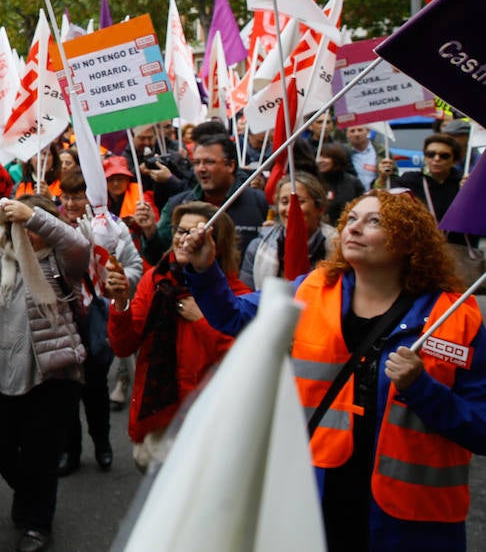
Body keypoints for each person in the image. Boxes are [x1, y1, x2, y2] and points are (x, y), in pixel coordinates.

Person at [186, 191, 486, 550]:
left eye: (375, 222)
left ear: (409, 241)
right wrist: (205, 270)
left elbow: (482, 428)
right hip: (317, 499)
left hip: (413, 522)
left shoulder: (456, 318)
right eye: (352, 218)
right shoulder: (311, 290)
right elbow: (233, 316)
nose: (354, 228)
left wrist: (422, 388)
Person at [0, 195, 88, 552]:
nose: (25, 231)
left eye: (32, 225)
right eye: (18, 224)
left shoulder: (60, 262)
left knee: (42, 454)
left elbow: (79, 244)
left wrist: (33, 215)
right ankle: (28, 493)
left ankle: (39, 525)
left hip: (50, 376)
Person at [104, 202, 247, 471]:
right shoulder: (155, 281)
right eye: (181, 231)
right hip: (160, 418)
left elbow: (243, 361)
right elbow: (124, 346)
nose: (184, 239)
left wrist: (204, 321)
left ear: (216, 245)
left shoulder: (235, 296)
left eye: (196, 234)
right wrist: (121, 302)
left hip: (208, 421)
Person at [55, 171, 143, 476]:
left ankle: (102, 443)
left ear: (90, 198)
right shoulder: (52, 225)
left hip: (95, 319)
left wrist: (113, 280)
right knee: (66, 393)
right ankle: (71, 450)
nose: (70, 203)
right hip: (60, 322)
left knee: (95, 390)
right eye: (66, 197)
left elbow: (135, 267)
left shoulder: (111, 227)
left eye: (77, 197)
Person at [141, 135, 268, 266]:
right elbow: (157, 258)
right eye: (196, 163)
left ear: (230, 165)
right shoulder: (178, 204)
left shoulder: (260, 201)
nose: (201, 169)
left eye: (209, 162)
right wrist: (150, 232)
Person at [382, 133, 481, 284]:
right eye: (431, 154)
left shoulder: (464, 182)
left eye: (444, 156)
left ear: (454, 160)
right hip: (420, 255)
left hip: (457, 257)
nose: (436, 159)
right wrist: (383, 177)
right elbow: (385, 198)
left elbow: (478, 220)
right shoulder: (411, 180)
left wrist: (472, 192)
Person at [242, 171, 340, 289]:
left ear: (320, 208)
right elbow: (246, 293)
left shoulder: (339, 249)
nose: (290, 209)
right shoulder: (258, 246)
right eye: (284, 202)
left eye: (299, 202)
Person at [315, 142, 364, 226]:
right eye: (319, 156)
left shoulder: (353, 182)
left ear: (336, 159)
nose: (320, 160)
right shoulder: (314, 182)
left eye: (325, 157)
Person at [345, 124, 380, 190]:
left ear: (368, 131)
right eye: (352, 131)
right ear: (347, 134)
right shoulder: (342, 153)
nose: (356, 134)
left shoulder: (381, 151)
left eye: (360, 130)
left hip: (376, 193)